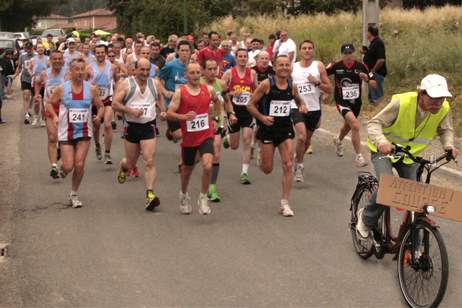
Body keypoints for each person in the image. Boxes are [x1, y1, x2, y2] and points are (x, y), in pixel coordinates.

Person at [356, 74, 460, 238]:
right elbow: (374, 123)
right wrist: (382, 142)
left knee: (416, 196)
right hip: (384, 151)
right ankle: (366, 218)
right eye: (434, 98)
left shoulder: (443, 109)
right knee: (388, 188)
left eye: (442, 98)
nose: (438, 103)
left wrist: (449, 146)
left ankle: (413, 243)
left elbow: (446, 129)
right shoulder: (402, 102)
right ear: (422, 93)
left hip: (409, 156)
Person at [247, 55, 305, 217]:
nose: (284, 68)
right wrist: (262, 118)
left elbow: (299, 101)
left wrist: (303, 106)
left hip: (285, 128)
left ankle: (285, 203)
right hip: (268, 129)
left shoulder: (292, 86)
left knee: (288, 164)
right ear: (274, 67)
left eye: (287, 65)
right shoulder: (266, 84)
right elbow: (250, 105)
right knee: (267, 169)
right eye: (281, 65)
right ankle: (260, 150)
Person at [47, 58, 104, 208]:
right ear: (70, 71)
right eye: (76, 69)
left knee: (79, 165)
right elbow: (49, 103)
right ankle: (62, 170)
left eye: (82, 69)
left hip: (85, 132)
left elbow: (101, 106)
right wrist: (54, 116)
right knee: (68, 166)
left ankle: (74, 193)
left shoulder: (91, 89)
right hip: (66, 132)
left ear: (85, 70)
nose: (79, 72)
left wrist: (98, 116)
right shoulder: (61, 88)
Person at [167, 63, 221, 215]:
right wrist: (183, 117)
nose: (196, 75)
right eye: (192, 73)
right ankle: (183, 195)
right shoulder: (180, 92)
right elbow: (170, 113)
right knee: (187, 170)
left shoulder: (208, 90)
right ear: (186, 75)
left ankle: (203, 198)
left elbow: (217, 101)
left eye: (198, 72)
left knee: (208, 165)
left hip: (206, 134)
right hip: (189, 138)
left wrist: (216, 118)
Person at [113, 58, 167, 211]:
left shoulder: (155, 83)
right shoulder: (126, 84)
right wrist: (131, 111)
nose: (144, 73)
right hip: (131, 126)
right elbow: (115, 103)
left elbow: (160, 97)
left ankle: (150, 194)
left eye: (147, 70)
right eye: (141, 69)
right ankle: (124, 168)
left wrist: (163, 110)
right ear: (135, 70)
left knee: (149, 160)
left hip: (148, 125)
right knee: (130, 163)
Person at [326, 43, 376, 167]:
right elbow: (323, 75)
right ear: (342, 55)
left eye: (350, 53)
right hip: (341, 101)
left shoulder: (361, 66)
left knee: (348, 126)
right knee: (355, 125)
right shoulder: (336, 66)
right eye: (345, 54)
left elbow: (375, 84)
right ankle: (359, 156)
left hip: (356, 103)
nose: (348, 56)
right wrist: (325, 90)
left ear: (354, 53)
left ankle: (338, 140)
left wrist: (367, 79)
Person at [292, 40, 332, 182]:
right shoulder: (293, 67)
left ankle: (298, 159)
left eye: (309, 48)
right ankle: (300, 167)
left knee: (307, 140)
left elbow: (329, 88)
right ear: (300, 51)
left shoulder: (318, 66)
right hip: (296, 107)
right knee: (301, 137)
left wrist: (317, 82)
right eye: (304, 48)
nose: (307, 50)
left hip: (314, 108)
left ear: (313, 50)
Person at [221, 49, 258, 184]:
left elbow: (257, 90)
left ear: (248, 58)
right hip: (234, 111)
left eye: (245, 56)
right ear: (236, 58)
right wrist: (232, 94)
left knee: (247, 140)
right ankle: (228, 137)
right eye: (240, 56)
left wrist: (255, 98)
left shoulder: (252, 73)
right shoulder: (229, 73)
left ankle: (244, 173)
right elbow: (221, 92)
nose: (243, 59)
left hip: (247, 111)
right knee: (234, 146)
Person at [35, 50, 66, 178]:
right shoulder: (44, 74)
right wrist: (37, 94)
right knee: (52, 137)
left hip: (65, 109)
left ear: (63, 60)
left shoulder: (68, 74)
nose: (57, 61)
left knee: (64, 139)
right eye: (55, 59)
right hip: (50, 108)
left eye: (60, 59)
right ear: (50, 60)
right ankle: (54, 166)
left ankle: (63, 158)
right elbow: (37, 83)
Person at [86, 44, 119, 164]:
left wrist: (117, 96)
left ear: (105, 53)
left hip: (107, 99)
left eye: (102, 52)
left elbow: (117, 81)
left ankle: (108, 153)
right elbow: (84, 84)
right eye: (97, 52)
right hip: (94, 101)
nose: (100, 54)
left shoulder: (113, 67)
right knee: (96, 127)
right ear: (95, 54)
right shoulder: (89, 68)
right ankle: (97, 145)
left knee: (107, 124)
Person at [201, 59, 226, 202]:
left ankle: (212, 187)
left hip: (217, 122)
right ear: (203, 70)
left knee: (216, 153)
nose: (212, 72)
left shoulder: (221, 83)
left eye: (214, 69)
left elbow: (227, 101)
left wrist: (231, 113)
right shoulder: (198, 83)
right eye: (209, 69)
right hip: (201, 123)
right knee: (199, 158)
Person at [158, 40, 191, 143]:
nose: (185, 53)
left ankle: (185, 155)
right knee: (179, 135)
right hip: (172, 103)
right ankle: (172, 131)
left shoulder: (192, 66)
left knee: (187, 132)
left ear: (191, 52)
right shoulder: (171, 65)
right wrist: (164, 91)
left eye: (187, 50)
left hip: (187, 102)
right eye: (182, 50)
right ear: (177, 51)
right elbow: (157, 79)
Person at [363, 25, 387, 105]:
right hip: (371, 73)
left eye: (367, 32)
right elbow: (372, 56)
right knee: (371, 96)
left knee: (377, 96)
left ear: (370, 33)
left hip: (377, 73)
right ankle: (372, 110)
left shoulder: (378, 43)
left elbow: (381, 60)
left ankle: (380, 111)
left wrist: (373, 70)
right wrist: (366, 52)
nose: (366, 34)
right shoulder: (373, 43)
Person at [13, 41, 35, 124]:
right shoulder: (22, 56)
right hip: (25, 78)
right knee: (26, 95)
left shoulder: (36, 56)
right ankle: (26, 115)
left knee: (34, 96)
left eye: (30, 48)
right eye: (27, 49)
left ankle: (29, 108)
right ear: (25, 48)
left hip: (34, 79)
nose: (29, 50)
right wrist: (15, 75)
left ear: (33, 48)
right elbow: (19, 67)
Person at [29, 43, 49, 126]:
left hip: (45, 82)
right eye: (39, 48)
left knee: (44, 102)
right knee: (36, 101)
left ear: (44, 49)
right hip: (36, 82)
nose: (40, 49)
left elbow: (50, 69)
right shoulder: (33, 59)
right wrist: (32, 74)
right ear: (36, 49)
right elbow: (29, 68)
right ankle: (36, 117)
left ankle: (43, 119)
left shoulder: (48, 59)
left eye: (42, 48)